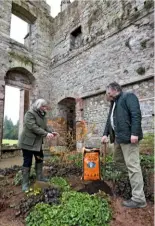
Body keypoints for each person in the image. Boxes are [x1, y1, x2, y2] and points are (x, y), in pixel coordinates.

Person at [101, 82, 146, 208]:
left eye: (109, 92)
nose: (107, 95)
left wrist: (135, 133)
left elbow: (136, 115)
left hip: (129, 139)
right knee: (118, 162)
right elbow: (109, 120)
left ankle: (138, 199)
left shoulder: (128, 97)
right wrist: (105, 134)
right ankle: (129, 186)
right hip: (118, 139)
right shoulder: (113, 103)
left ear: (115, 90)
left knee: (133, 166)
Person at [18, 98, 59, 192]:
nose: (45, 108)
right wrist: (45, 134)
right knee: (27, 161)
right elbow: (33, 127)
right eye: (43, 106)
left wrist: (51, 132)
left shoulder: (43, 115)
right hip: (27, 142)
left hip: (37, 142)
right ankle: (25, 183)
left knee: (40, 158)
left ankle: (40, 177)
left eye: (45, 106)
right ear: (39, 106)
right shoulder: (30, 113)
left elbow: (44, 127)